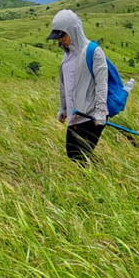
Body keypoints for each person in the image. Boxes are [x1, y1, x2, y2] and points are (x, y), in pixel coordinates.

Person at [48, 10, 110, 163]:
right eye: (59, 37)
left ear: (73, 30)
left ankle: (99, 181)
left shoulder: (94, 51)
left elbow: (102, 83)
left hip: (90, 115)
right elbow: (65, 84)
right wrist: (63, 108)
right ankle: (101, 176)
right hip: (74, 116)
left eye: (63, 35)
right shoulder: (67, 55)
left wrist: (101, 112)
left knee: (80, 158)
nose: (62, 40)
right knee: (73, 155)